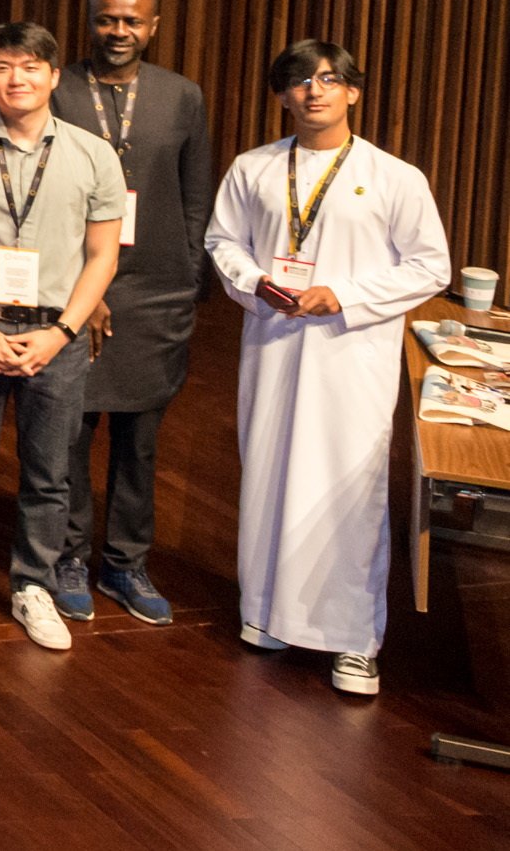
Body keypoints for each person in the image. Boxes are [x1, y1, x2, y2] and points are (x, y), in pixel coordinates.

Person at [209, 39, 449, 698]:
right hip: (272, 342)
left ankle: (352, 640)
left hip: (350, 354)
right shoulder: (252, 167)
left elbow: (430, 265)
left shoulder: (395, 176)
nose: (313, 90)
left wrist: (342, 295)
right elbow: (220, 241)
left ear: (352, 91)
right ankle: (267, 610)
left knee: (345, 487)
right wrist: (254, 281)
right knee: (267, 472)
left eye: (327, 78)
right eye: (297, 80)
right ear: (282, 95)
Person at [0, 22, 126, 654]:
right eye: (4, 67)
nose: (19, 79)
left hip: (56, 330)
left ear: (54, 75)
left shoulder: (95, 155)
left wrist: (63, 332)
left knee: (50, 470)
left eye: (31, 67)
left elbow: (102, 257)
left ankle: (32, 584)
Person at [59, 0, 218, 627]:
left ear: (151, 26)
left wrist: (185, 273)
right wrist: (79, 291)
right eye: (106, 19)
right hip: (74, 284)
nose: (117, 32)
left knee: (139, 440)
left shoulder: (180, 95)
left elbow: (194, 192)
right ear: (89, 19)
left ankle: (124, 562)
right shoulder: (59, 87)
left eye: (131, 21)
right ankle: (65, 556)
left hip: (156, 290)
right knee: (67, 433)